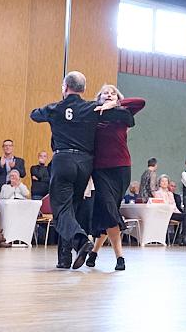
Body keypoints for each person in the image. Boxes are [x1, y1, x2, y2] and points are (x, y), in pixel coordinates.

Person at [30, 71, 134, 270]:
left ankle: (80, 242)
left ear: (64, 87)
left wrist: (53, 112)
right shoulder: (92, 108)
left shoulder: (55, 108)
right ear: (84, 89)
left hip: (63, 161)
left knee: (60, 211)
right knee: (72, 209)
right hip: (85, 164)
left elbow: (34, 114)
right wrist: (112, 105)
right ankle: (64, 259)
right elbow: (127, 116)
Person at [87, 85, 144, 271]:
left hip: (121, 168)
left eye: (113, 92)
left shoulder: (123, 114)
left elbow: (140, 102)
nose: (109, 94)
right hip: (100, 169)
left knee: (108, 212)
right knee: (110, 210)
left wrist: (115, 104)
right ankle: (120, 257)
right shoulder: (94, 114)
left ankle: (94, 252)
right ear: (99, 97)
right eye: (105, 92)